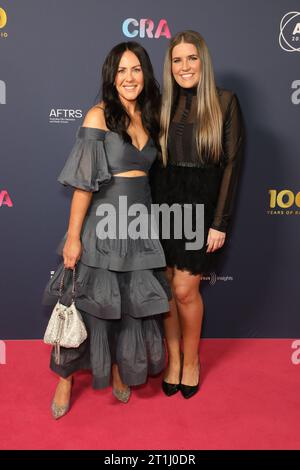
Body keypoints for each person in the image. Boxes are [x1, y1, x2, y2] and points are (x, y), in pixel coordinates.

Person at [43, 41, 171, 418]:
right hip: (102, 227)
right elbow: (84, 184)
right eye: (121, 70)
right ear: (111, 76)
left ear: (145, 74)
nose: (129, 78)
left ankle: (117, 368)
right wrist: (72, 237)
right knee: (87, 306)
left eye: (135, 69)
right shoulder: (98, 116)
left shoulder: (150, 116)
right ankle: (65, 380)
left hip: (139, 226)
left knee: (128, 305)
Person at [150, 30, 244, 399]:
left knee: (186, 290)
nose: (184, 66)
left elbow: (232, 166)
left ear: (203, 61)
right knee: (166, 289)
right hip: (163, 201)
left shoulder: (225, 102)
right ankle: (173, 359)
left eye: (191, 58)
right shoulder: (161, 105)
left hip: (200, 203)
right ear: (169, 66)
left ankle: (192, 361)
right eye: (177, 60)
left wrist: (219, 222)